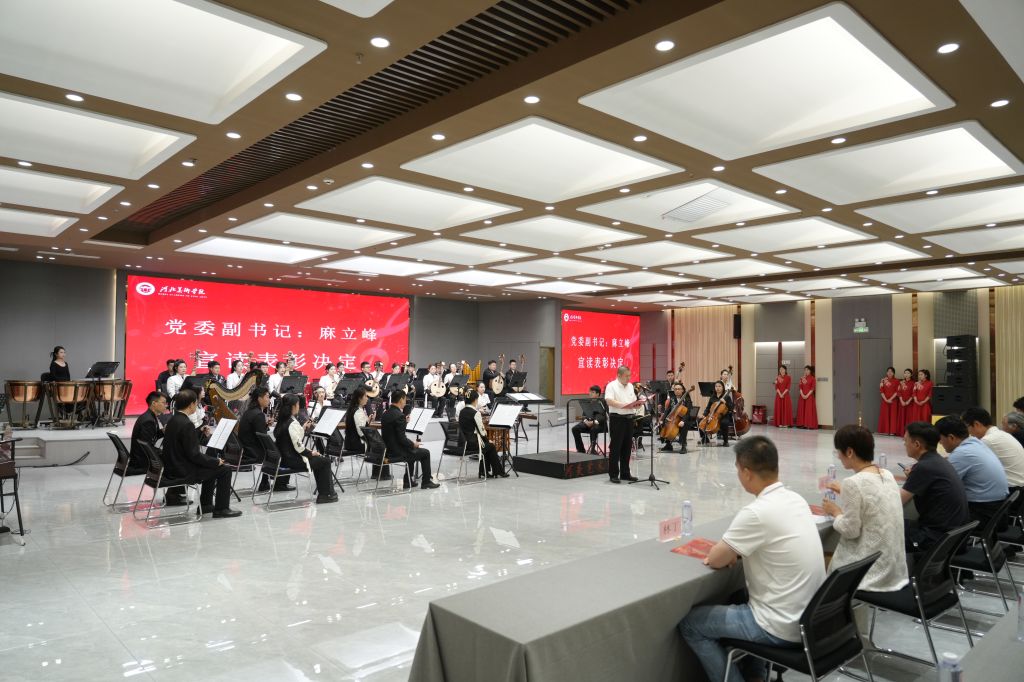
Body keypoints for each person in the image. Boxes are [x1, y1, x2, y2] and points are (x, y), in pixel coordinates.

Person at [679, 436, 825, 682]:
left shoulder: (756, 512)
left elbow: (715, 559)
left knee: (691, 625)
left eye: (738, 469)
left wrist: (728, 552)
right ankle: (756, 676)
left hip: (778, 625)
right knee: (741, 596)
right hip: (810, 619)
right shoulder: (796, 499)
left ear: (746, 473)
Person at [822, 425, 909, 592]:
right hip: (895, 568)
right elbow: (872, 497)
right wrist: (844, 492)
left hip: (871, 573)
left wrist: (835, 512)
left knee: (826, 557)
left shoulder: (853, 482)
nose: (838, 456)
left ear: (849, 452)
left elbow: (850, 530)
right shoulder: (886, 474)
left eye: (838, 451)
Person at [161, 390, 241, 518]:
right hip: (183, 471)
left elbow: (184, 442)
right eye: (196, 403)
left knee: (211, 466)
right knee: (224, 469)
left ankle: (206, 505)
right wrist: (216, 461)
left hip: (173, 467)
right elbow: (194, 455)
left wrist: (198, 432)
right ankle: (222, 509)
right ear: (191, 404)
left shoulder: (173, 420)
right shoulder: (186, 423)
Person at [900, 421, 969, 557]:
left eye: (905, 440)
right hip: (954, 536)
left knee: (883, 532)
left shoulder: (924, 467)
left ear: (917, 444)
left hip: (938, 539)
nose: (904, 444)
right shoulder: (938, 461)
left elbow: (896, 501)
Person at [935, 416, 1008, 529]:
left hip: (983, 513)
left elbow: (941, 485)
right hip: (998, 510)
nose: (940, 443)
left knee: (933, 511)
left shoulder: (961, 453)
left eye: (940, 439)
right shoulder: (975, 443)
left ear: (951, 437)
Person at [273, 393, 337, 503]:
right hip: (292, 460)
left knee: (319, 460)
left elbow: (292, 438)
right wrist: (311, 453)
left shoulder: (282, 420)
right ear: (293, 406)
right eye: (298, 404)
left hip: (284, 458)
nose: (299, 407)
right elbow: (299, 448)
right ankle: (326, 495)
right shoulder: (292, 423)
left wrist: (302, 428)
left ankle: (325, 493)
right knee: (324, 461)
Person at [381, 390, 439, 489]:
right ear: (400, 400)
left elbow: (394, 431)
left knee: (411, 451)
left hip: (387, 450)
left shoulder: (385, 414)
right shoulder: (399, 415)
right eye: (404, 400)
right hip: (397, 452)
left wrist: (405, 422)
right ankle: (426, 482)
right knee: (425, 453)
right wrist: (413, 444)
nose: (405, 402)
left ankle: (407, 481)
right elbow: (402, 438)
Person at [962, 406, 1024, 492]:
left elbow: (968, 464)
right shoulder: (1001, 434)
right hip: (1018, 487)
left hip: (1011, 489)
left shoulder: (988, 440)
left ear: (976, 424)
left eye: (967, 427)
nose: (969, 432)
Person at [604, 366, 642, 483]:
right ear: (619, 375)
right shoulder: (611, 386)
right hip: (617, 419)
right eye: (626, 376)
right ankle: (613, 474)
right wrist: (624, 405)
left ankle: (625, 473)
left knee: (627, 447)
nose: (629, 378)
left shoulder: (630, 386)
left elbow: (633, 400)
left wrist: (637, 405)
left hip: (629, 418)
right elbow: (609, 400)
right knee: (616, 447)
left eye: (630, 375)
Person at [459, 390, 505, 478]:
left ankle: (485, 471)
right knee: (491, 446)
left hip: (463, 443)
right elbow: (482, 432)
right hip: (471, 444)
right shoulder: (475, 413)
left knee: (487, 446)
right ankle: (497, 471)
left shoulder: (462, 411)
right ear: (475, 400)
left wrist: (486, 441)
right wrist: (488, 440)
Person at [129, 391, 167, 473]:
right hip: (142, 461)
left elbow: (152, 435)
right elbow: (147, 447)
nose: (166, 406)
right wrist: (164, 453)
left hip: (141, 456)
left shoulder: (149, 416)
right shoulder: (148, 420)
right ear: (154, 403)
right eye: (163, 403)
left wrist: (163, 431)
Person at [575, 385, 608, 454]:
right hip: (589, 423)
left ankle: (593, 450)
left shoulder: (603, 402)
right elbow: (583, 415)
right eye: (590, 392)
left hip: (600, 424)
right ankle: (581, 450)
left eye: (592, 392)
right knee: (575, 429)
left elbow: (605, 416)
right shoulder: (588, 402)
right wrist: (585, 421)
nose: (590, 393)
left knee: (593, 429)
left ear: (597, 394)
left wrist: (594, 422)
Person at [699, 381, 733, 447]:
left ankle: (726, 441)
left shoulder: (727, 397)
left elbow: (731, 408)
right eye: (716, 386)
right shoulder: (712, 397)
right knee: (700, 421)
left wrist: (725, 403)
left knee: (724, 423)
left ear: (723, 388)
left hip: (724, 416)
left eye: (719, 386)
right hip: (712, 415)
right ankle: (705, 438)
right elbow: (708, 408)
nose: (717, 388)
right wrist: (704, 414)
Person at [658, 382, 690, 453]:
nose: (677, 391)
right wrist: (662, 419)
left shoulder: (687, 399)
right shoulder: (672, 398)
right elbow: (667, 410)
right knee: (663, 424)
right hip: (674, 418)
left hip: (685, 418)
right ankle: (668, 445)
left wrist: (683, 421)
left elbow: (688, 412)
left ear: (682, 390)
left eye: (679, 389)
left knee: (684, 426)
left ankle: (683, 446)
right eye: (675, 389)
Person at [795, 365, 818, 430]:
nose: (806, 371)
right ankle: (801, 424)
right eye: (805, 370)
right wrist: (802, 394)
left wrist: (807, 395)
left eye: (807, 370)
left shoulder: (813, 378)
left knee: (808, 410)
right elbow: (800, 387)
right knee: (802, 410)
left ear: (810, 371)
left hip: (809, 397)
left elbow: (812, 388)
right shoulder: (802, 378)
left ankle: (809, 425)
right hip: (802, 396)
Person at [878, 367, 899, 436]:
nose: (889, 373)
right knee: (885, 415)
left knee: (893, 415)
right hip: (885, 400)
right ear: (886, 373)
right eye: (888, 371)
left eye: (891, 371)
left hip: (893, 401)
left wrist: (890, 399)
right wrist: (886, 399)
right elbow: (881, 391)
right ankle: (885, 430)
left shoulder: (897, 381)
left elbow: (897, 391)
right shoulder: (883, 380)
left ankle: (892, 431)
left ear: (894, 373)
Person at [895, 369, 914, 437]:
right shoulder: (901, 382)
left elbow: (913, 393)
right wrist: (902, 401)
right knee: (902, 417)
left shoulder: (913, 383)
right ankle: (901, 432)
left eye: (908, 373)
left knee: (909, 417)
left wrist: (908, 401)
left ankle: (908, 433)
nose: (906, 374)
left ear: (911, 374)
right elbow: (898, 392)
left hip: (910, 403)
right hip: (902, 402)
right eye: (905, 373)